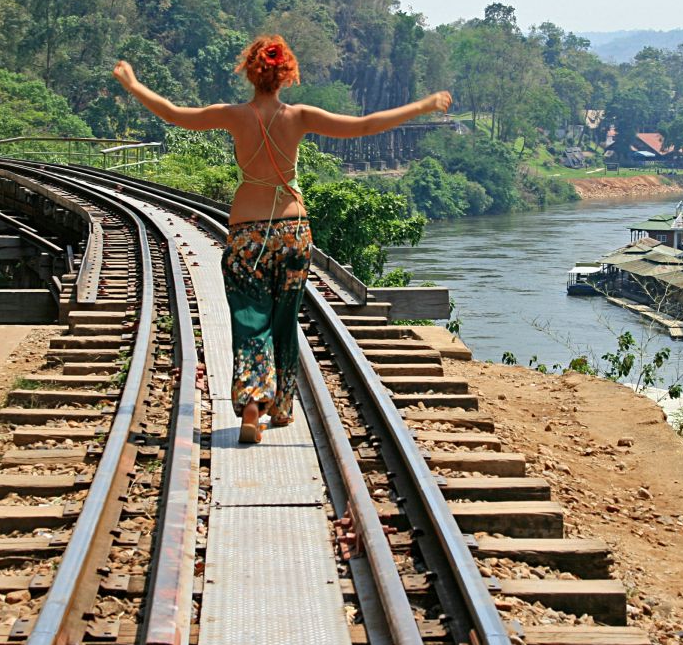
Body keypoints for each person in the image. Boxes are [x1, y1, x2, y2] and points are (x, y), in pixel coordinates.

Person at [113, 35, 451, 443]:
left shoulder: (232, 115)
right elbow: (364, 126)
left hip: (245, 236)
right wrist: (423, 105)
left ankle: (253, 403)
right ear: (286, 74)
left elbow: (173, 112)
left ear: (250, 72)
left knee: (250, 321)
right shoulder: (301, 117)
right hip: (293, 234)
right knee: (284, 320)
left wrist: (133, 86)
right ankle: (282, 406)